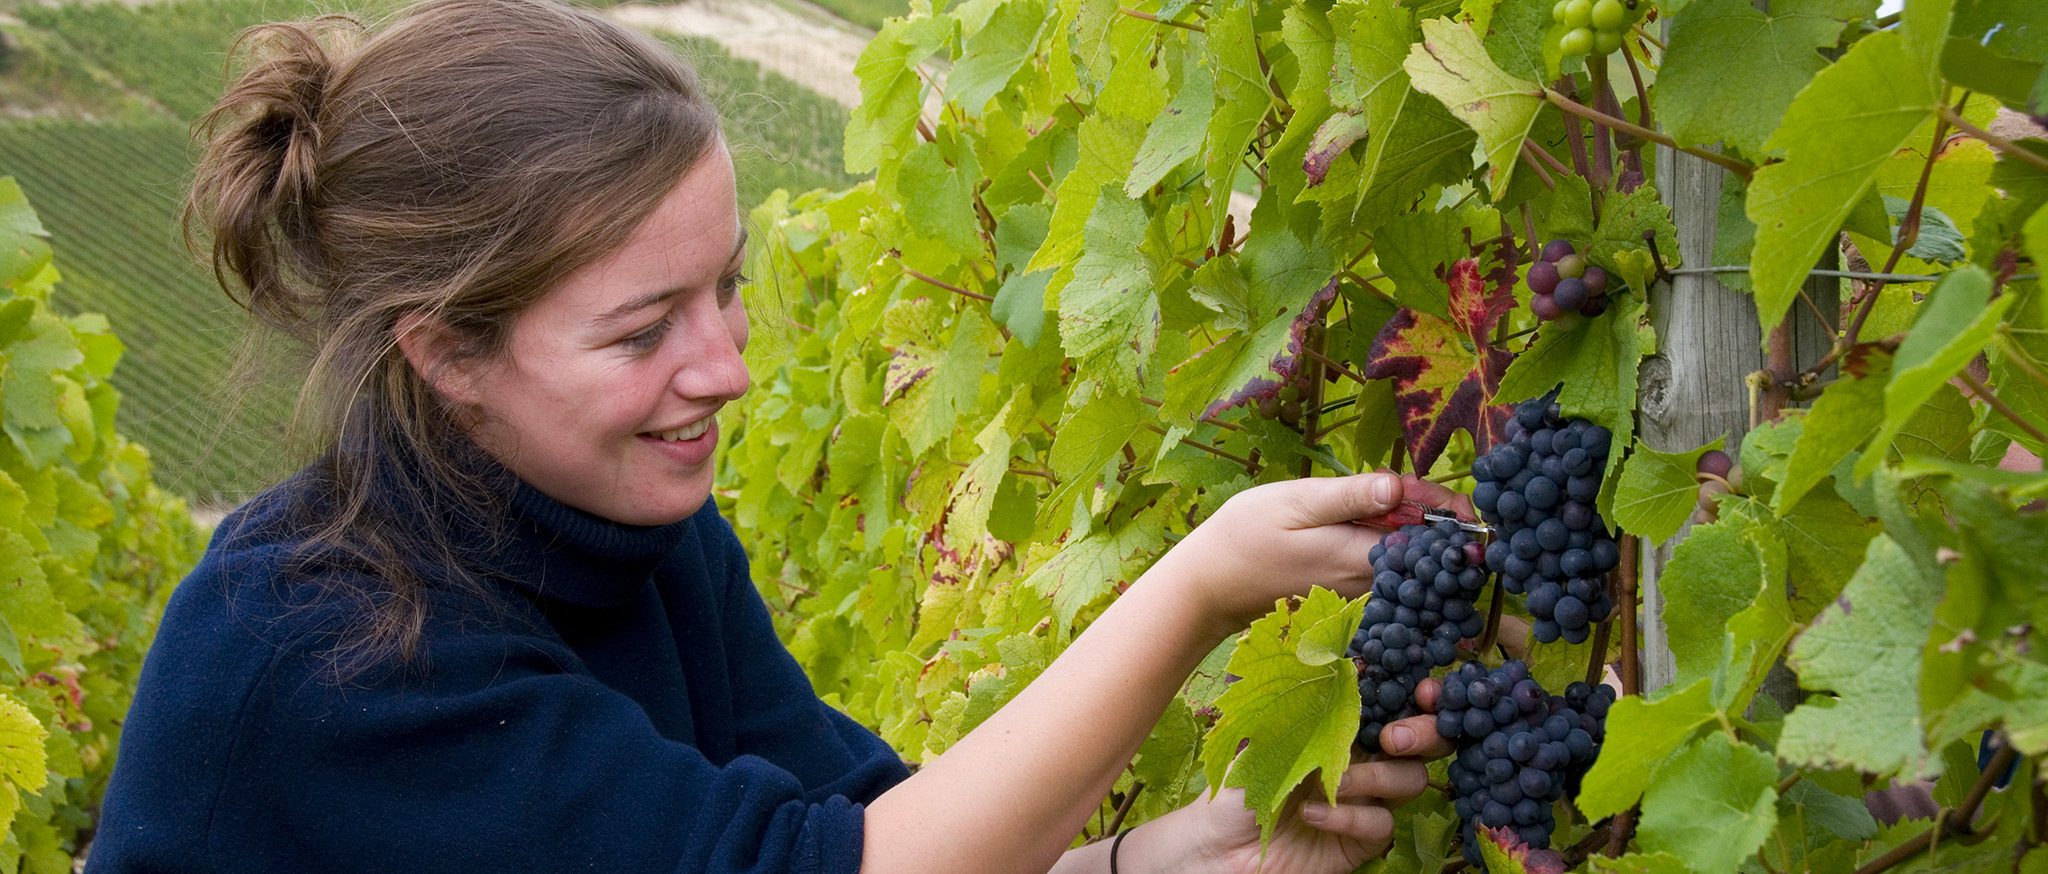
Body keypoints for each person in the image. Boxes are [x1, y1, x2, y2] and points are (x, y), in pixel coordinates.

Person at [87, 0, 1454, 870]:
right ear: (447, 351)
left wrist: (1155, 861)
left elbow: (867, 818)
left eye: (727, 286)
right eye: (644, 329)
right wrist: (1197, 590)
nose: (728, 366)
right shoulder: (324, 650)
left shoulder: (629, 531)